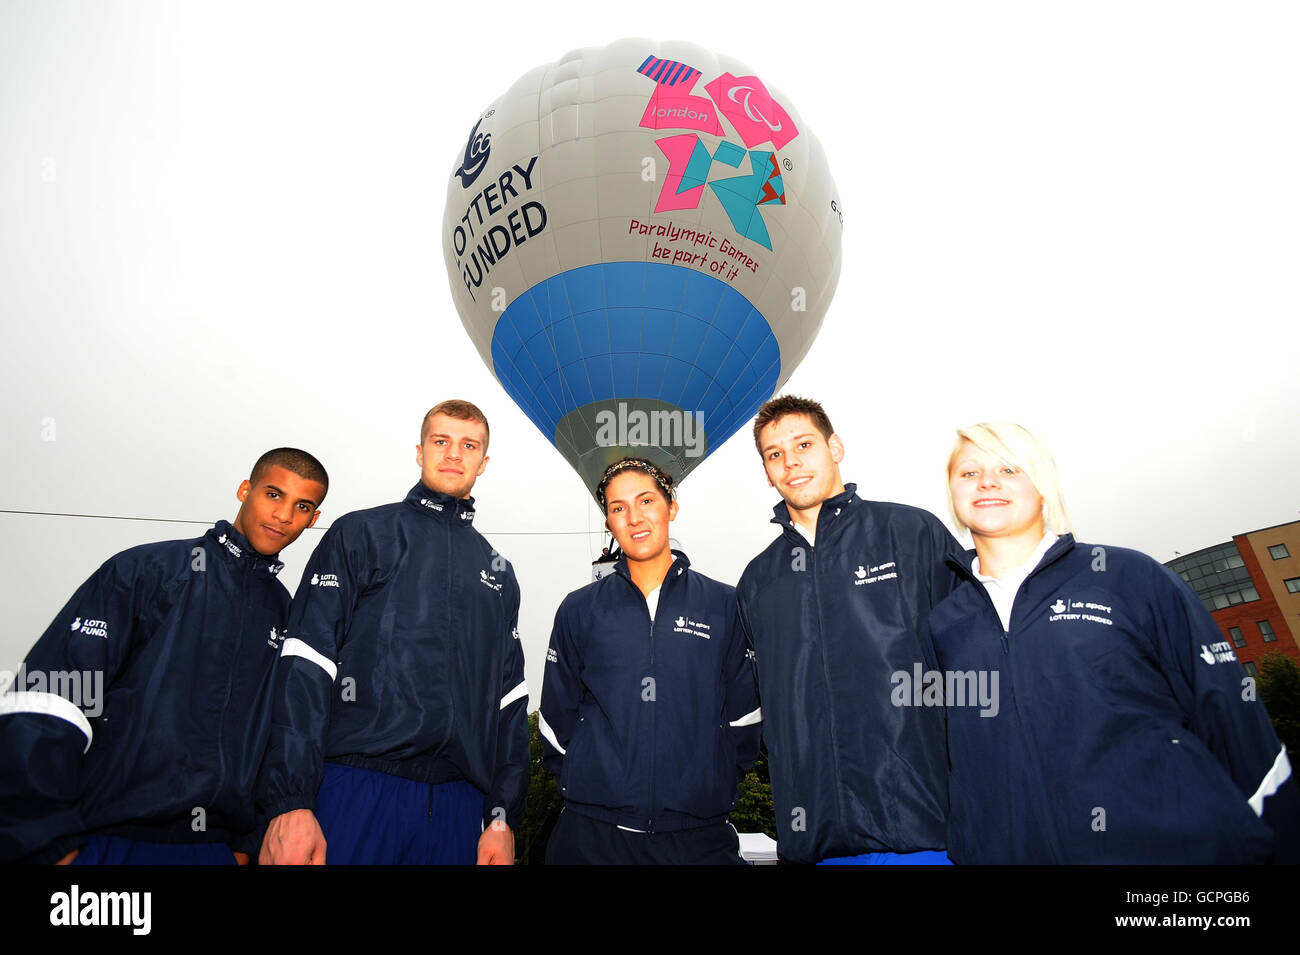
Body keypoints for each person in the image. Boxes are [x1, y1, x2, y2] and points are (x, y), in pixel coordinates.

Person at [930, 421, 1299, 863]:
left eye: (1010, 469)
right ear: (952, 493)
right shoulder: (946, 621)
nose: (987, 481)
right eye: (968, 473)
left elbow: (1228, 713)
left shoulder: (1126, 577)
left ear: (1043, 486)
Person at [0, 448, 328, 865]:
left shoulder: (287, 613)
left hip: (212, 850)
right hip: (105, 840)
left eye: (302, 506)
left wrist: (244, 846)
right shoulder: (145, 570)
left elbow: (273, 737)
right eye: (273, 494)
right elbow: (51, 697)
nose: (284, 515)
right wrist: (45, 839)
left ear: (314, 519)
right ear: (245, 490)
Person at [257, 400, 527, 865]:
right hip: (355, 787)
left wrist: (501, 818)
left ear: (484, 463)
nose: (453, 455)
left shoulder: (498, 572)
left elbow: (510, 706)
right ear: (419, 451)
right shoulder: (360, 533)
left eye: (468, 446)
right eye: (441, 442)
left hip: (459, 807)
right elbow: (305, 667)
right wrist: (292, 800)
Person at [735, 395, 959, 864]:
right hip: (813, 843)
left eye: (804, 444)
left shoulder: (912, 533)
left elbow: (977, 664)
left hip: (926, 836)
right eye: (775, 454)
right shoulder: (758, 580)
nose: (790, 462)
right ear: (766, 470)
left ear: (835, 447)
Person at [539, 458, 760, 864]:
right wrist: (593, 784)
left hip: (699, 837)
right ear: (608, 522)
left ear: (671, 506)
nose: (634, 518)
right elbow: (555, 719)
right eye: (618, 508)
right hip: (591, 837)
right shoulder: (578, 609)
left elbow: (745, 718)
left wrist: (710, 782)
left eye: (646, 501)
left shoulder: (726, 605)